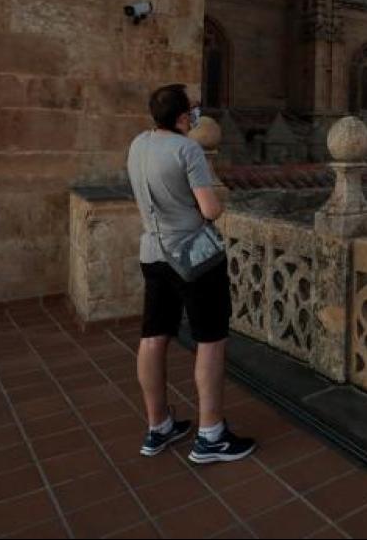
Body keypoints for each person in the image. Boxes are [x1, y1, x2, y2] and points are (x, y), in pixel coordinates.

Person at [127, 84, 256, 464]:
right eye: (194, 109)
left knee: (153, 337)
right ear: (183, 118)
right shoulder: (188, 149)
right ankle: (211, 434)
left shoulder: (137, 144)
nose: (198, 113)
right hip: (192, 258)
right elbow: (211, 209)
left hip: (153, 252)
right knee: (210, 339)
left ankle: (158, 425)